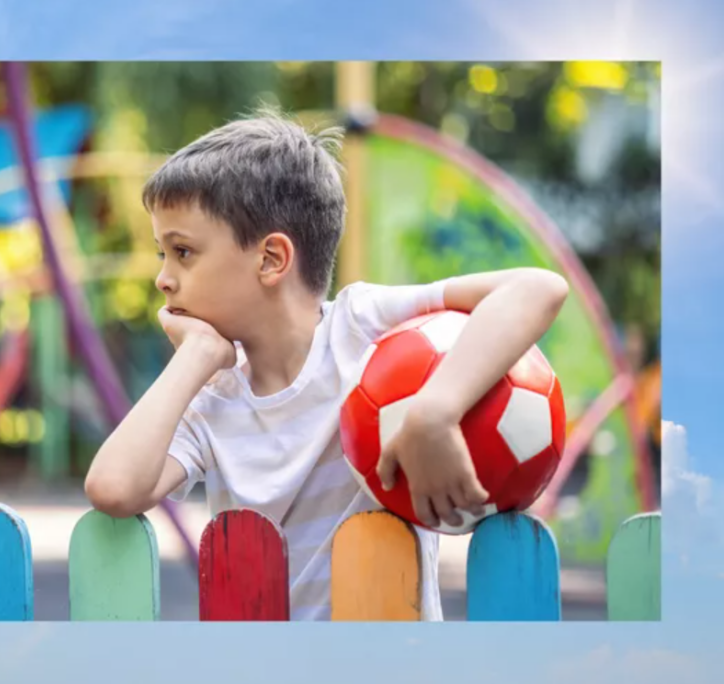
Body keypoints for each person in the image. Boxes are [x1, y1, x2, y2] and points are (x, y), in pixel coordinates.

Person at [84, 107, 569, 621]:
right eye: (163, 254)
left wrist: (435, 410)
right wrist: (198, 356)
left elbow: (538, 288)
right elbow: (114, 489)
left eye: (182, 252)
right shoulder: (213, 398)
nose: (163, 278)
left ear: (271, 259)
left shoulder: (358, 327)